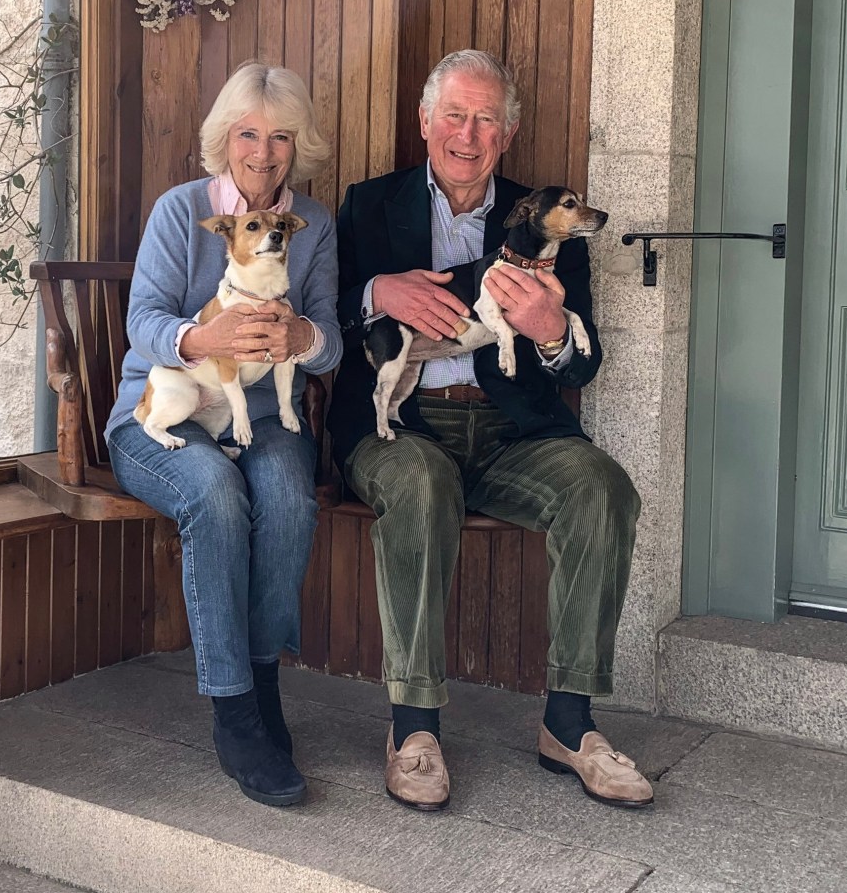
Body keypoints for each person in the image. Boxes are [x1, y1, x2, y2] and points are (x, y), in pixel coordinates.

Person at [328, 50, 652, 811]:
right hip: (401, 425)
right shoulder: (368, 205)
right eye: (453, 115)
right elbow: (322, 313)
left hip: (513, 432)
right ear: (423, 122)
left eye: (484, 120)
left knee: (603, 489)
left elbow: (581, 364)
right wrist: (378, 290)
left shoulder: (546, 219)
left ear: (505, 134)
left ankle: (569, 724)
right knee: (417, 479)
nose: (466, 135)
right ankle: (413, 728)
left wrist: (547, 330)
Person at [105, 63, 342, 808]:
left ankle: (263, 681)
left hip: (262, 418)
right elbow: (141, 320)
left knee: (286, 493)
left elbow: (333, 342)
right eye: (248, 133)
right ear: (223, 139)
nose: (263, 152)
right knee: (213, 492)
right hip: (162, 412)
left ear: (296, 144)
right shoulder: (181, 212)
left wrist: (302, 334)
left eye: (280, 136)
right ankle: (235, 710)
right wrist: (201, 335)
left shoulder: (316, 226)